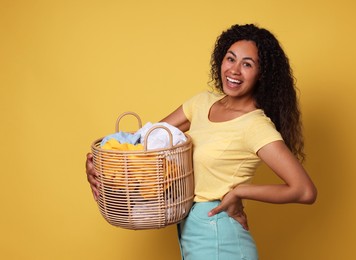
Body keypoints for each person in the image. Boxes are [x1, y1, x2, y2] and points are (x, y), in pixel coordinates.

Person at [85, 23, 317, 260]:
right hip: (193, 228)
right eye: (230, 59)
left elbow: (304, 190)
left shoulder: (255, 126)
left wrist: (241, 191)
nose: (234, 70)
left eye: (247, 64)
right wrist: (98, 163)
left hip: (219, 233)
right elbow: (145, 145)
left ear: (262, 74)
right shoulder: (201, 103)